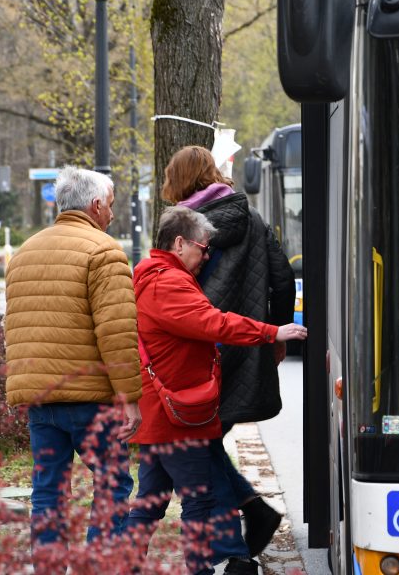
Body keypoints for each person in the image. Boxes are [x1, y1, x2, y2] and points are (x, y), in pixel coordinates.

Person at [127, 206, 307, 575]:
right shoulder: (169, 282)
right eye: (202, 248)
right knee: (199, 501)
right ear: (179, 243)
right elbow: (213, 323)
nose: (206, 256)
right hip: (178, 415)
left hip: (161, 414)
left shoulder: (151, 276)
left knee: (149, 501)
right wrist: (272, 332)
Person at [162, 145, 294, 569]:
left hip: (201, 348)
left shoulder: (182, 230)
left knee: (195, 444)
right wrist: (275, 333)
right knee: (203, 443)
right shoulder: (251, 217)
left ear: (180, 180)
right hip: (246, 346)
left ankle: (238, 543)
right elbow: (282, 278)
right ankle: (250, 511)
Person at [4, 166, 142, 560]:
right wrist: (129, 397)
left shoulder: (23, 254)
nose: (113, 215)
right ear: (96, 205)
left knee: (48, 490)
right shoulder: (103, 251)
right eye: (111, 206)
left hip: (41, 402)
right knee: (112, 486)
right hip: (92, 401)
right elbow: (116, 333)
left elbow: (17, 328)